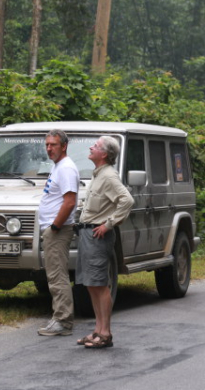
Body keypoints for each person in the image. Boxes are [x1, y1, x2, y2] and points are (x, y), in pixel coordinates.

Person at [75, 136, 134, 349]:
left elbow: (127, 200)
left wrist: (109, 224)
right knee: (91, 284)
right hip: (88, 234)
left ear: (105, 154)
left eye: (96, 146)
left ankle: (106, 333)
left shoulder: (109, 176)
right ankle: (97, 330)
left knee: (100, 284)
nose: (91, 147)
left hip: (98, 235)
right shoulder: (98, 175)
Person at [38, 129, 80, 336]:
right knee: (53, 275)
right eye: (47, 145)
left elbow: (70, 201)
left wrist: (54, 227)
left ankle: (63, 321)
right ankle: (59, 317)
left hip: (59, 230)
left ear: (64, 146)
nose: (49, 148)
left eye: (53, 145)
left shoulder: (66, 169)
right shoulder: (58, 167)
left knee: (57, 275)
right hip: (53, 229)